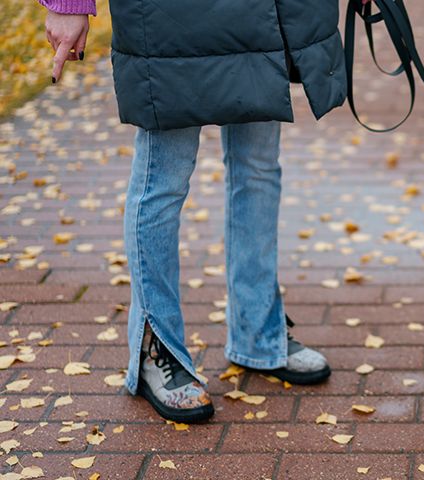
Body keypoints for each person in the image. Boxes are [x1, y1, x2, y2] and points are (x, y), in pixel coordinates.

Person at [40, 0, 351, 423]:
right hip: (169, 15)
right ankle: (157, 350)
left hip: (261, 15)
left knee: (259, 169)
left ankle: (259, 334)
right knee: (163, 178)